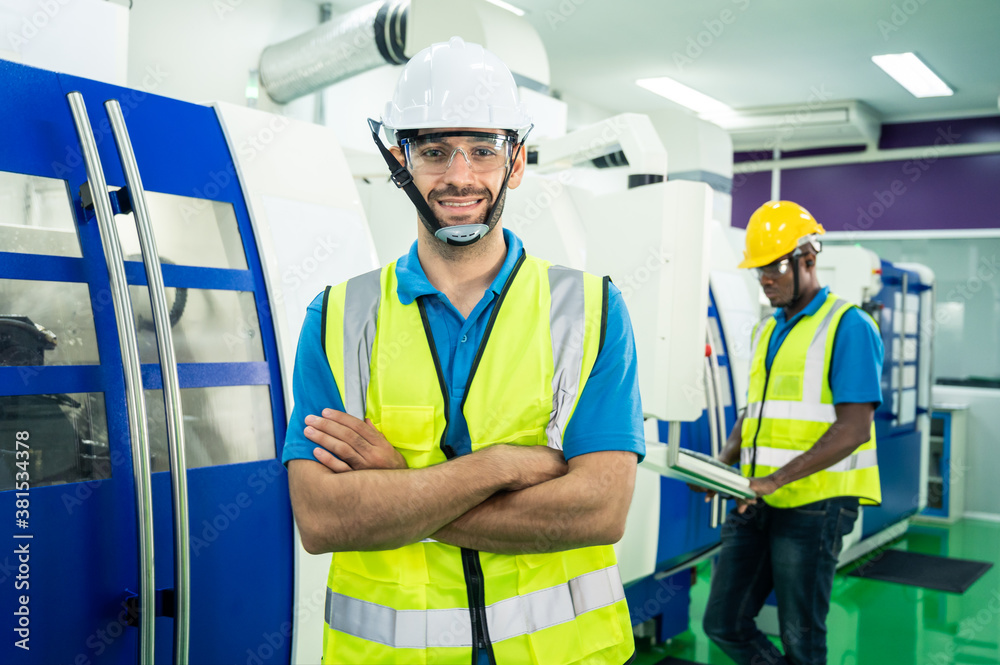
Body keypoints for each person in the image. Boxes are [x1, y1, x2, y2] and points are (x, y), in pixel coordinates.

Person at [281, 37, 644, 665]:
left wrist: (396, 489)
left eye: (482, 150)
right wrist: (499, 467)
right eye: (434, 151)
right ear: (401, 160)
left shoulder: (590, 311)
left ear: (517, 161)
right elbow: (323, 518)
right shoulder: (336, 318)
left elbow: (599, 509)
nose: (459, 176)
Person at [699, 200, 883, 665]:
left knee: (801, 637)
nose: (766, 279)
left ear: (809, 260)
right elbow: (755, 409)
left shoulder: (848, 326)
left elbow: (854, 428)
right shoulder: (767, 330)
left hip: (814, 507)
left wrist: (775, 480)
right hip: (756, 499)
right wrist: (722, 465)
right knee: (723, 622)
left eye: (776, 267)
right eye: (760, 269)